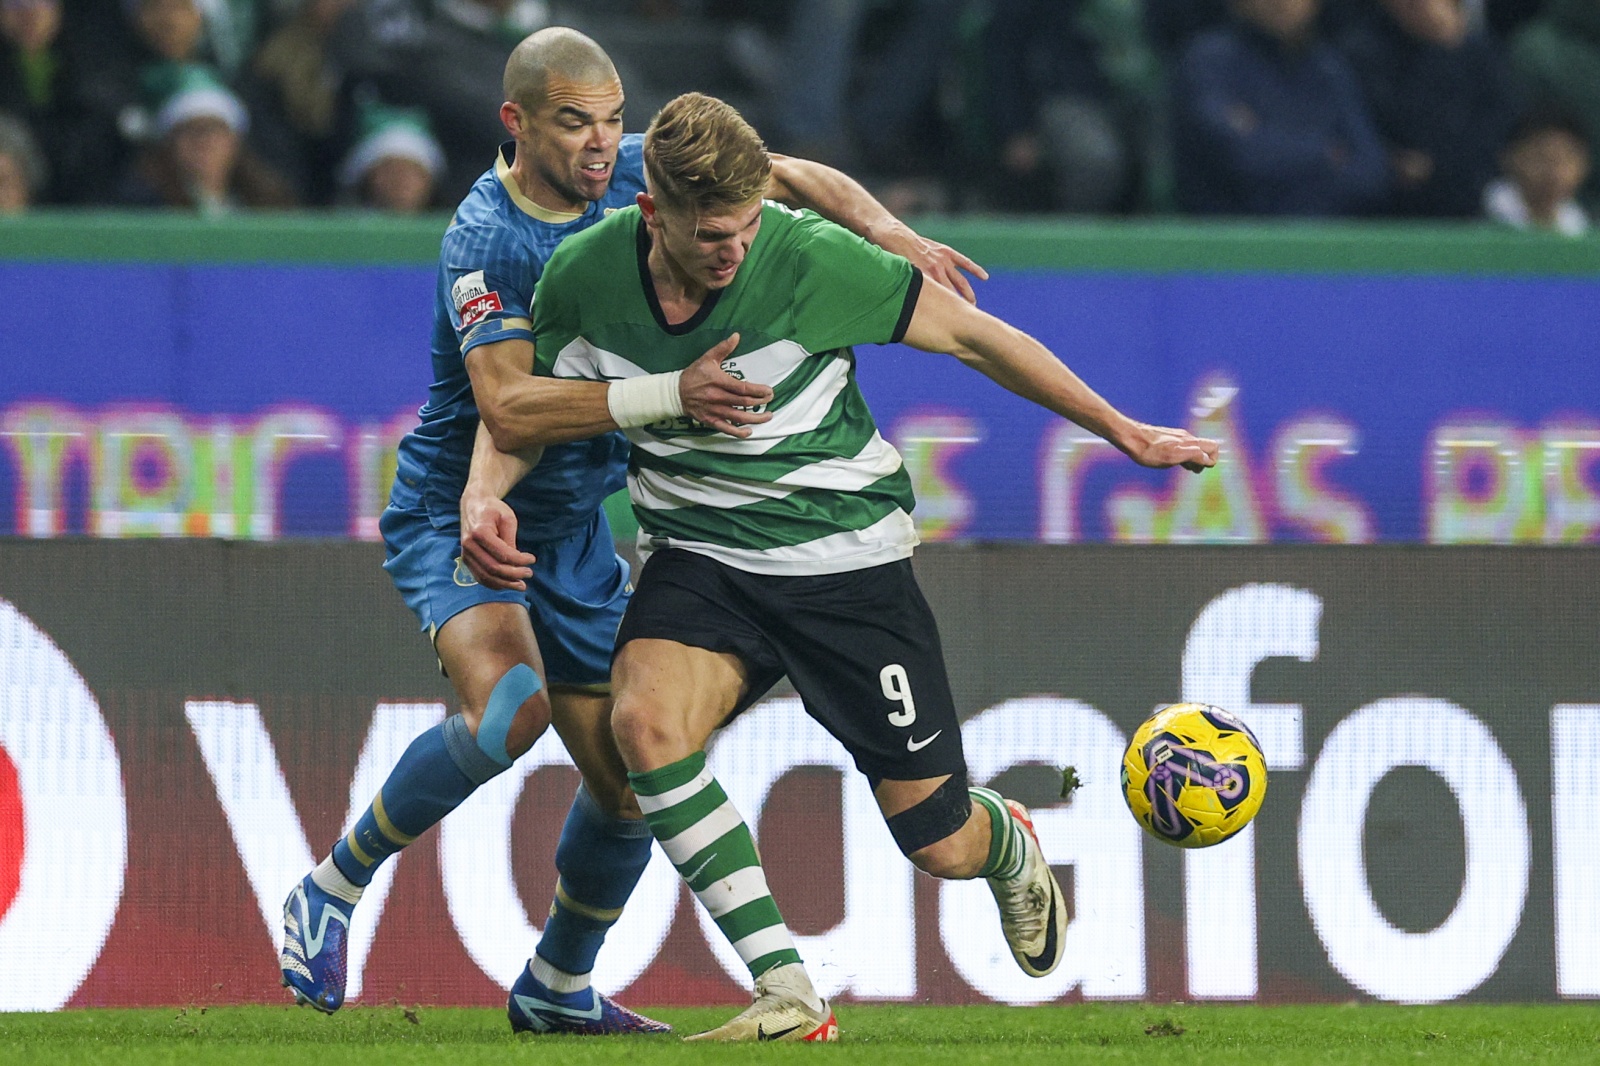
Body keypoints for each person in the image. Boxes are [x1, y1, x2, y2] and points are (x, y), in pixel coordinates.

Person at [460, 91, 1218, 1042]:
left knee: (939, 845)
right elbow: (525, 407)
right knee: (644, 725)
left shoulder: (809, 257)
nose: (735, 250)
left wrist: (1126, 432)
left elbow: (980, 339)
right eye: (714, 237)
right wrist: (485, 490)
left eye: (745, 228)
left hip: (845, 563)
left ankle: (1007, 844)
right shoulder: (581, 277)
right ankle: (787, 990)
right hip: (701, 555)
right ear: (653, 215)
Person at [277, 27, 986, 1037]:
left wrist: (893, 236)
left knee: (632, 778)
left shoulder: (642, 178)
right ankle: (332, 886)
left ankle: (556, 982)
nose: (602, 145)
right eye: (575, 124)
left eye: (613, 121)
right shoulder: (485, 239)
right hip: (467, 511)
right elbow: (511, 408)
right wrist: (670, 396)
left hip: (571, 534)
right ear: (516, 125)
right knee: (511, 710)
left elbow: (789, 172)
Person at [1171, 0, 1388, 215]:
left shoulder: (1330, 70)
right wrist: (1325, 154)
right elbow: (1240, 155)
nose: (1282, 2)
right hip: (1228, 236)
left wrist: (1265, 138)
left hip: (1327, 235)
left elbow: (1372, 171)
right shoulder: (1209, 61)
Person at [1338, 0, 1518, 218]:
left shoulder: (1477, 54)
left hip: (1464, 190)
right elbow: (1382, 123)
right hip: (1384, 195)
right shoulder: (1361, 52)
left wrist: (1448, 49)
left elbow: (1498, 124)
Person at [1484, 105, 1591, 236]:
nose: (1554, 173)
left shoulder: (1581, 229)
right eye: (1541, 158)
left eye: (1565, 160)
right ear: (1510, 158)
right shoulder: (1482, 220)